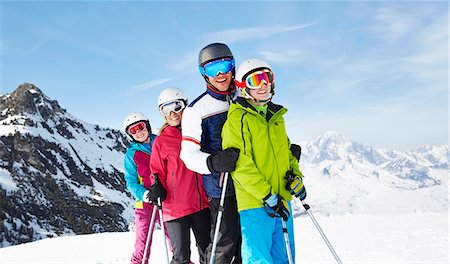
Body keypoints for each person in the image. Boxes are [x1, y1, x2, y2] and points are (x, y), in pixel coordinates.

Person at [221, 58, 307, 263]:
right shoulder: (238, 119)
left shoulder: (276, 117)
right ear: (243, 87)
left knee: (285, 257)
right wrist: (267, 195)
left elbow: (286, 153)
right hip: (256, 203)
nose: (262, 85)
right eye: (255, 80)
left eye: (266, 78)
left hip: (282, 198)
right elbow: (241, 165)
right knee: (259, 259)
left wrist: (296, 177)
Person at [180, 43, 242, 263]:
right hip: (222, 187)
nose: (220, 74)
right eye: (211, 69)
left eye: (224, 66)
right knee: (225, 245)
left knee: (251, 245)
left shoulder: (245, 97)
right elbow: (187, 155)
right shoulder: (196, 110)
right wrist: (214, 163)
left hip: (251, 184)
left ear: (233, 67)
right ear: (203, 75)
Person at [149, 87, 211, 264]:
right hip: (175, 208)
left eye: (176, 106)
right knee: (181, 256)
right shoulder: (161, 141)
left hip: (200, 203)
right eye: (165, 109)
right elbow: (157, 171)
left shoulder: (198, 132)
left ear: (185, 106)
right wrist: (156, 186)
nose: (172, 113)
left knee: (208, 251)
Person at [123, 112, 171, 264]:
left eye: (140, 127)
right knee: (142, 244)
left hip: (166, 200)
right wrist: (145, 194)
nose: (138, 132)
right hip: (145, 205)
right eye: (133, 130)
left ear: (147, 126)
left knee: (175, 241)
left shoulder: (161, 141)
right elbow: (130, 181)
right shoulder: (131, 155)